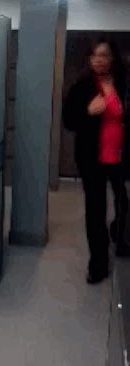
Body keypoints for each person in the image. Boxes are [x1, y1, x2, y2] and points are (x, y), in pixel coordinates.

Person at [63, 39, 130, 285]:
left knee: (124, 204)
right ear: (89, 60)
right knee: (96, 211)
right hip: (92, 160)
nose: (99, 59)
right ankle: (98, 264)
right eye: (94, 55)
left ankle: (120, 238)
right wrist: (88, 112)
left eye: (104, 55)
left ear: (113, 58)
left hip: (121, 158)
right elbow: (68, 121)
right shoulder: (82, 87)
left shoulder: (124, 85)